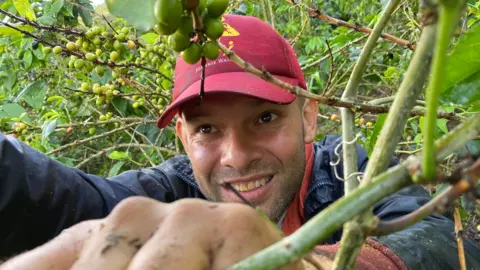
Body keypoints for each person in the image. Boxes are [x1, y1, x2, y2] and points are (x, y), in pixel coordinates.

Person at [0, 14, 478, 270]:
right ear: (184, 138)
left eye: (265, 117)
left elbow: (439, 243)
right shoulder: (171, 189)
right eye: (207, 129)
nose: (236, 155)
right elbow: (64, 200)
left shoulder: (350, 171)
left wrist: (307, 265)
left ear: (309, 118)